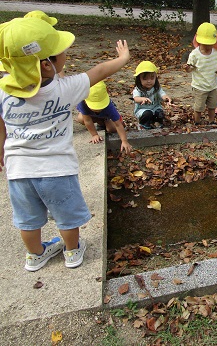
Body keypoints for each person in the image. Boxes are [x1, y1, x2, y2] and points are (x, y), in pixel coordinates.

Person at [0, 16, 130, 271]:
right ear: (48, 65)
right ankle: (72, 252)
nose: (65, 52)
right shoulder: (65, 89)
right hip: (57, 170)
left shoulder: (3, 91)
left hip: (19, 172)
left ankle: (35, 255)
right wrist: (123, 59)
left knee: (28, 220)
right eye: (60, 52)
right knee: (66, 215)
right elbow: (99, 71)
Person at [183, 22, 217, 125]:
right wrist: (187, 68)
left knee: (212, 106)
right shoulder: (195, 54)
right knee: (199, 107)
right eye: (205, 44)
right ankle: (197, 122)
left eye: (210, 44)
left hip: (212, 85)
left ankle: (211, 121)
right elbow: (190, 69)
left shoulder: (215, 52)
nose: (208, 46)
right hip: (199, 86)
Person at [76, 80, 132, 153]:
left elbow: (118, 124)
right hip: (92, 116)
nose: (98, 109)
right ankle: (100, 122)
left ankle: (108, 121)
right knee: (80, 119)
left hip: (106, 116)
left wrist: (124, 141)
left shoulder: (109, 106)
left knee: (111, 129)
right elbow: (88, 121)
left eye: (100, 107)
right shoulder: (82, 102)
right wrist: (94, 135)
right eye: (95, 107)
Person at [133, 61, 172, 130]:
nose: (149, 81)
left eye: (152, 78)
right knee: (147, 114)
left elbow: (162, 94)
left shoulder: (156, 88)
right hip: (142, 109)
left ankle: (158, 123)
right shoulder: (138, 90)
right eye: (145, 79)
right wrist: (142, 99)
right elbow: (136, 98)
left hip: (155, 108)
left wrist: (166, 99)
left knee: (160, 113)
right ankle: (143, 124)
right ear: (139, 79)